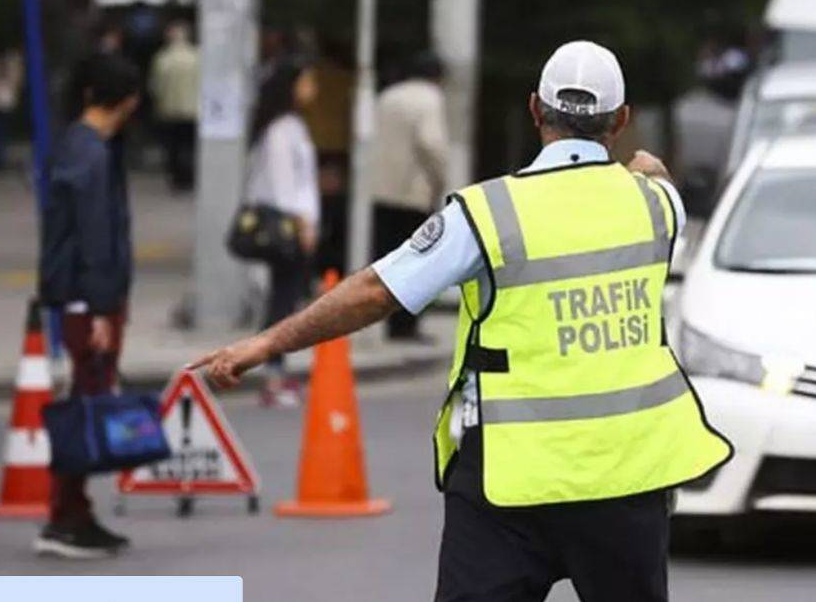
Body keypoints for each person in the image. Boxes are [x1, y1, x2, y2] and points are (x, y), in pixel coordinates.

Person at [190, 41, 734, 601]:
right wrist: (643, 167)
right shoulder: (657, 206)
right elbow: (657, 174)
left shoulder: (486, 214)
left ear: (533, 109)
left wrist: (266, 342)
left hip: (508, 483)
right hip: (627, 478)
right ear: (622, 120)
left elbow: (378, 291)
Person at [36, 54, 141, 559]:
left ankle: (72, 512)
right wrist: (101, 309)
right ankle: (66, 518)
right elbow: (95, 238)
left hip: (78, 298)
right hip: (89, 302)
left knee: (85, 401)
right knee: (86, 405)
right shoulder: (94, 155)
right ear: (129, 100)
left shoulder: (75, 145)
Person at [245, 56, 321, 407]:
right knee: (282, 300)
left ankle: (277, 370)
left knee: (286, 298)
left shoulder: (291, 124)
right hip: (287, 227)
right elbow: (282, 184)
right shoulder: (281, 129)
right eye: (307, 81)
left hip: (294, 224)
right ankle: (272, 374)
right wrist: (302, 223)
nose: (312, 88)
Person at [370, 50, 449, 340]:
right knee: (417, 262)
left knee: (387, 259)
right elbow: (431, 143)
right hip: (413, 192)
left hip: (381, 189)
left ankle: (388, 322)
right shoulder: (430, 99)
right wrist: (439, 180)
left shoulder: (387, 97)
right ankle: (406, 326)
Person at [149, 21, 199, 192]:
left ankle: (177, 178)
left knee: (173, 146)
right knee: (189, 145)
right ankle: (189, 177)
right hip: (193, 110)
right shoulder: (197, 57)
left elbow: (155, 86)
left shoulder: (162, 59)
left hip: (169, 110)